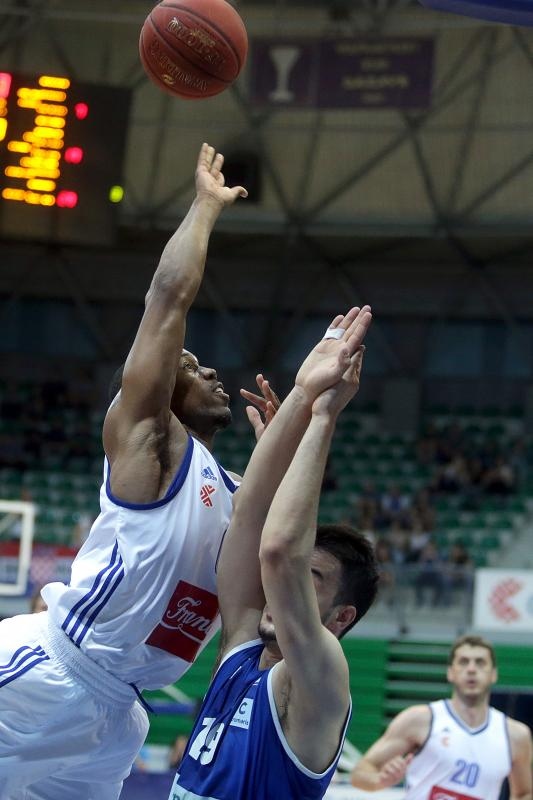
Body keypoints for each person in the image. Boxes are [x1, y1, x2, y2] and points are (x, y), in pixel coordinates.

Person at [0, 143, 273, 800]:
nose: (210, 369)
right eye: (189, 366)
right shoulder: (152, 441)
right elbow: (167, 298)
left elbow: (281, 543)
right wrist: (205, 207)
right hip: (50, 669)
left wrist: (288, 441)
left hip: (120, 715)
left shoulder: (237, 494)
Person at [168, 306, 380, 800]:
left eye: (312, 578)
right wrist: (289, 428)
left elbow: (281, 551)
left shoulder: (319, 678)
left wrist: (320, 413)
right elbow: (248, 517)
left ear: (341, 617)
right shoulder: (242, 650)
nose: (281, 588)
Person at [351, 634, 532, 800]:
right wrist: (379, 781)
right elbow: (360, 772)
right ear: (450, 672)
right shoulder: (420, 720)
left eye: (480, 662)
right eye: (463, 662)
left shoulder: (515, 735)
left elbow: (524, 793)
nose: (471, 669)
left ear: (493, 674)